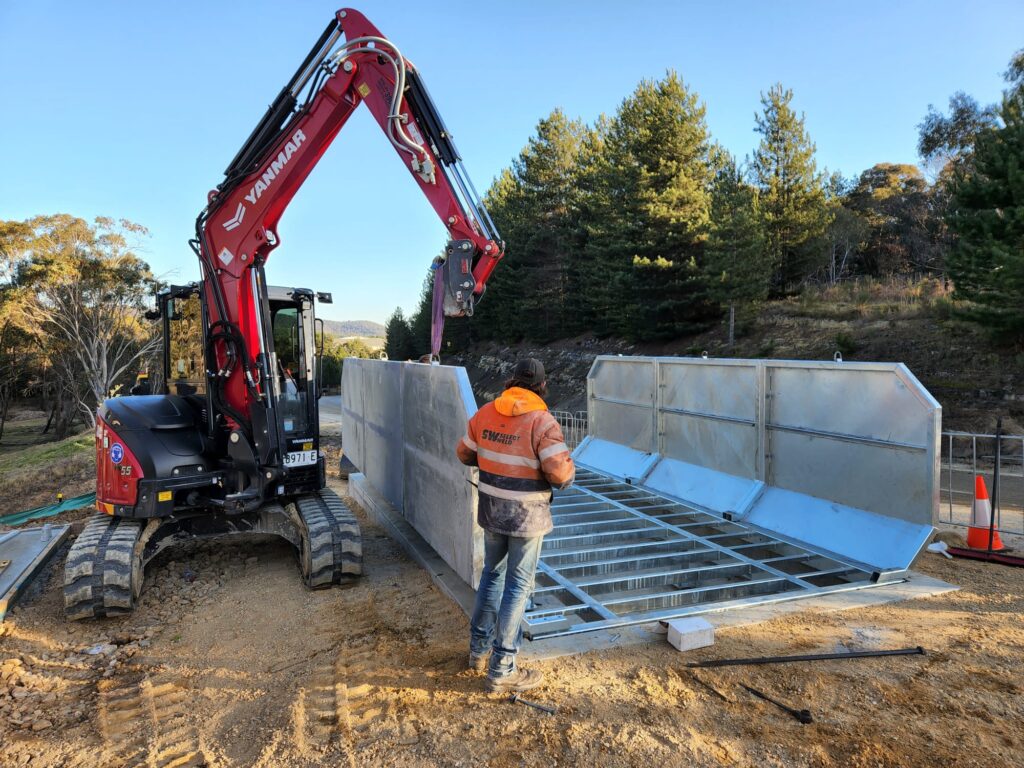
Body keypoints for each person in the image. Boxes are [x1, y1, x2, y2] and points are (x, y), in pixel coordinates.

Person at [456, 358, 575, 692]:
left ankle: (478, 651)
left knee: (492, 576)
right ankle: (503, 667)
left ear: (511, 382)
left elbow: (464, 453)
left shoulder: (486, 413)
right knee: (518, 585)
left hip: (492, 509)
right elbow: (560, 474)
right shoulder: (542, 421)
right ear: (540, 385)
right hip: (526, 516)